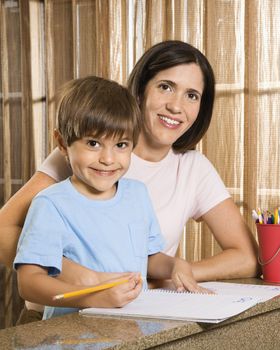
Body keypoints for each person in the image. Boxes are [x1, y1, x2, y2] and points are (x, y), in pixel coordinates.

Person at [0, 40, 259, 322]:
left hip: (133, 315)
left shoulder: (161, 182)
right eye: (165, 87)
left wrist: (172, 272)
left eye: (192, 95)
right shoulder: (81, 156)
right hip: (60, 320)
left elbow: (245, 258)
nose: (176, 106)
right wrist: (86, 278)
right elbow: (8, 235)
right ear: (140, 90)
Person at [13, 76, 204, 320]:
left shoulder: (137, 194)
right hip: (71, 337)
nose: (108, 159)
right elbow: (29, 282)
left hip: (133, 328)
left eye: (121, 145)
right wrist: (91, 297)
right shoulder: (50, 204)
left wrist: (175, 266)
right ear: (62, 144)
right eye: (93, 143)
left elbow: (148, 257)